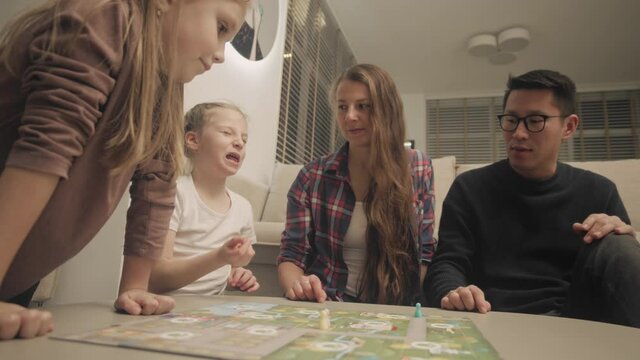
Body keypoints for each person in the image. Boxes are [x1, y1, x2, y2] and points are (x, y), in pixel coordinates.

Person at [0, 0, 250, 340]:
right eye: (221, 28)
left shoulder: (164, 80)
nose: (220, 53)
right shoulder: (104, 14)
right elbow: (45, 148)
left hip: (20, 270)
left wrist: (135, 285)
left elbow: (156, 183)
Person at [425, 69, 640, 327]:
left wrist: (625, 236)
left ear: (568, 126)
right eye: (511, 120)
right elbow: (448, 261)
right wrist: (453, 292)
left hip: (577, 319)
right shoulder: (470, 188)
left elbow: (622, 272)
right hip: (489, 314)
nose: (519, 133)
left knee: (618, 242)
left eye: (535, 121)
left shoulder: (599, 191)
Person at [277, 64, 436, 305]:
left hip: (395, 307)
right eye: (343, 107)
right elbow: (292, 252)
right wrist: (299, 287)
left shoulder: (418, 167)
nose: (350, 116)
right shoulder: (312, 176)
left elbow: (424, 252)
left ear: (387, 110)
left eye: (363, 106)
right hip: (327, 304)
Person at [148, 102, 258, 296]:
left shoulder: (243, 207)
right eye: (227, 132)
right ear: (193, 140)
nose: (239, 142)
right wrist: (220, 257)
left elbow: (229, 267)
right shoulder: (175, 193)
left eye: (244, 138)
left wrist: (237, 274)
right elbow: (156, 278)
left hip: (211, 311)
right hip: (166, 306)